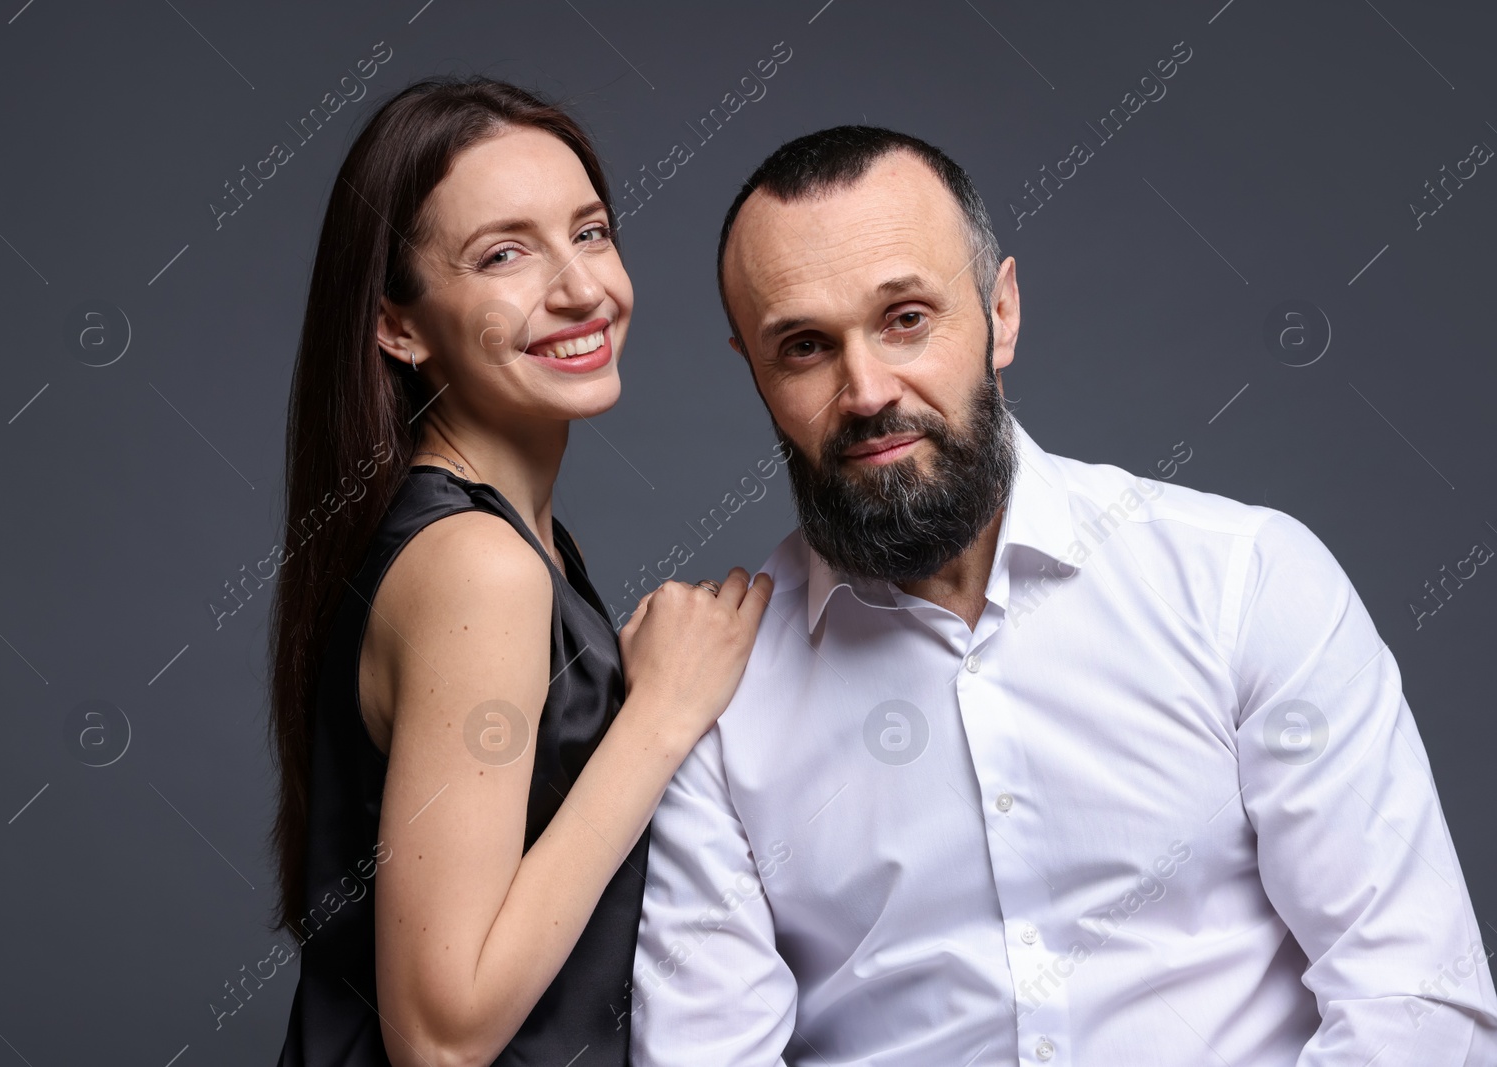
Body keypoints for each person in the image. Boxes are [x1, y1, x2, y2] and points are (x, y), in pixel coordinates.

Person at [630, 125, 1497, 1065]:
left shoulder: (1244, 580)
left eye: (907, 317)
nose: (868, 389)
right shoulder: (712, 699)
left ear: (1001, 312)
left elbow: (1416, 1001)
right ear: (754, 373)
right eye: (804, 346)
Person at [267, 77, 772, 1067]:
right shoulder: (477, 567)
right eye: (504, 253)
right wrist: (658, 716)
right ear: (397, 326)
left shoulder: (503, 540)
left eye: (588, 232)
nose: (581, 287)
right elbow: (442, 1034)